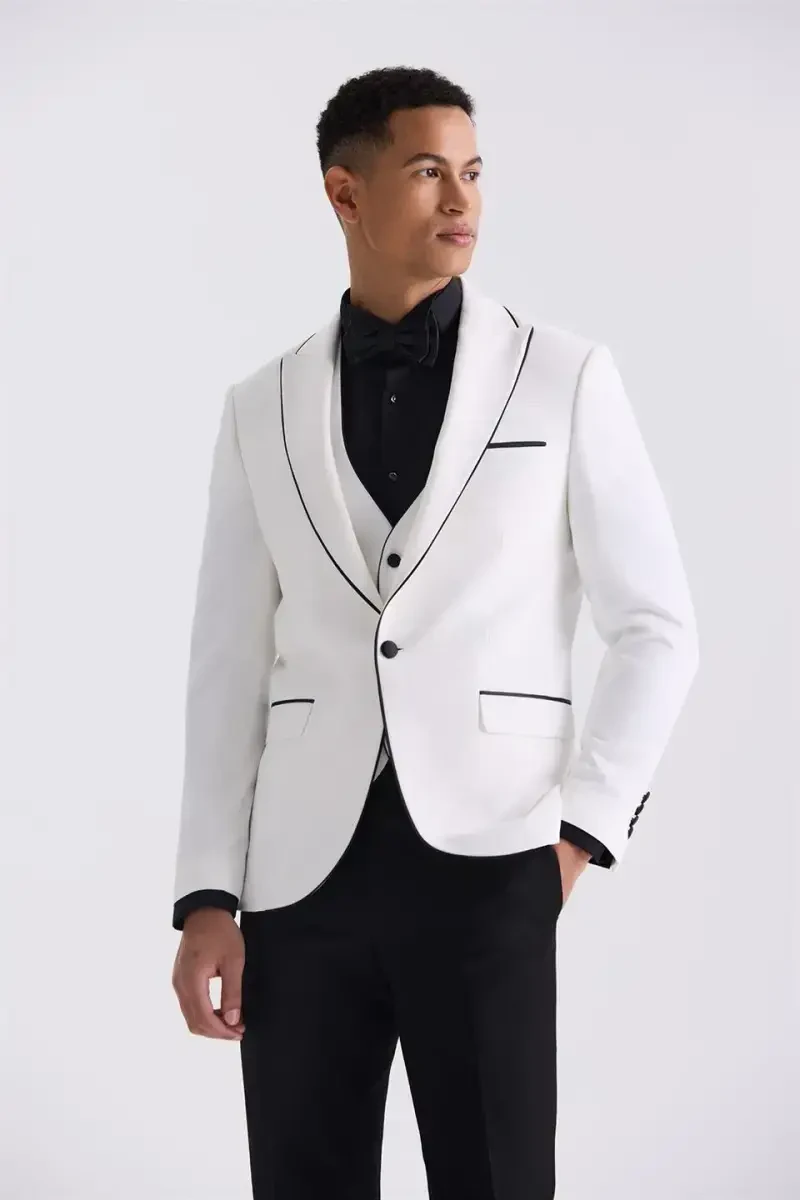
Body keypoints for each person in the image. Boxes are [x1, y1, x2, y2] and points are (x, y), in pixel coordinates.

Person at [170, 64, 699, 1200]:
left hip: (492, 860)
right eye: (425, 172)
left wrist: (577, 837)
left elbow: (656, 626)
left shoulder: (563, 377)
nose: (461, 198)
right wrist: (208, 894)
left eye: (472, 171)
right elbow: (226, 665)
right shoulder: (259, 406)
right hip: (298, 882)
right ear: (344, 194)